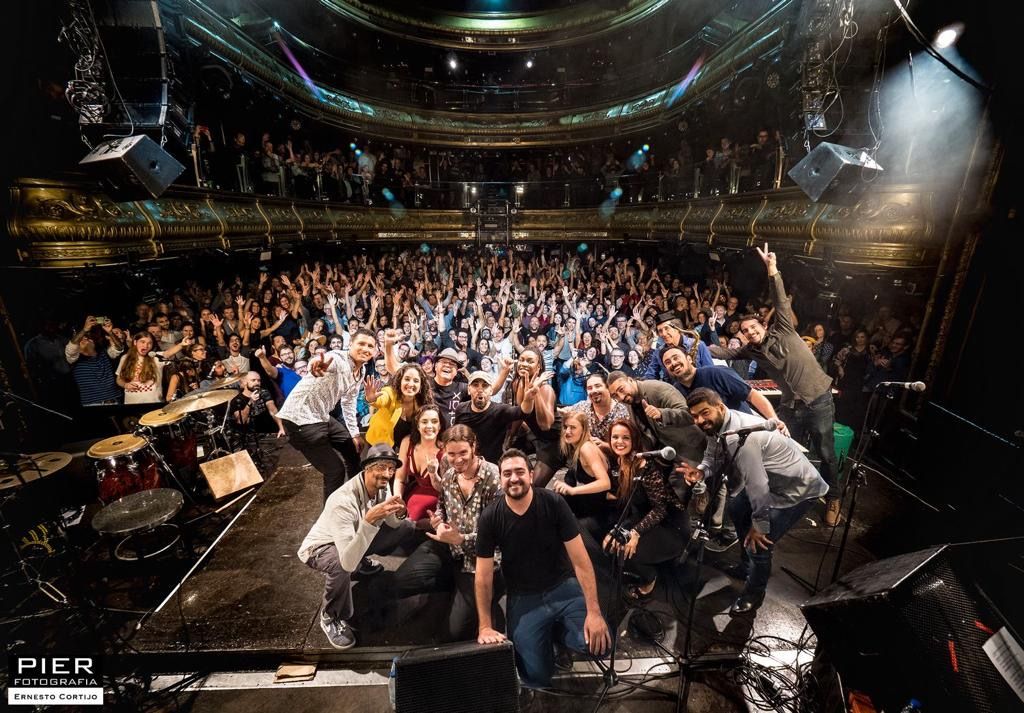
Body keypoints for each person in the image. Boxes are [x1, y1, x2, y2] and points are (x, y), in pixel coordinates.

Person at [708, 244, 840, 526]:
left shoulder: (783, 329)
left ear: (763, 326)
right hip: (791, 406)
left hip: (818, 400)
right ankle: (793, 493)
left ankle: (833, 497)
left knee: (826, 453)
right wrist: (696, 346)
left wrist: (772, 269)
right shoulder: (751, 350)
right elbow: (725, 352)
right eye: (745, 331)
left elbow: (780, 301)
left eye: (753, 328)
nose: (749, 332)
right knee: (787, 449)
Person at [476, 449, 611, 690]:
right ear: (501, 479)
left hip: (563, 588)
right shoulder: (490, 517)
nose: (514, 478)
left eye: (520, 472)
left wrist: (594, 612)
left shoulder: (553, 503)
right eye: (507, 474)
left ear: (531, 475)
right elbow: (483, 577)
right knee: (535, 677)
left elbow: (581, 561)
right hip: (524, 598)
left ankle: (557, 633)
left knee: (599, 646)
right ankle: (549, 634)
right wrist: (485, 626)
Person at [684, 388, 827, 616]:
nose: (700, 420)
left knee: (759, 542)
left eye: (704, 413)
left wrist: (759, 526)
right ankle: (746, 566)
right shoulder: (718, 426)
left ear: (720, 407)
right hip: (769, 482)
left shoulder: (741, 436)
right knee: (736, 509)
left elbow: (758, 486)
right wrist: (701, 471)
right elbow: (712, 455)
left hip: (796, 489)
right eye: (695, 416)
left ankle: (754, 593)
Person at [298, 444, 417, 649]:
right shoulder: (342, 501)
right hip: (321, 547)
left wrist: (400, 512)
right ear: (366, 468)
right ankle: (331, 616)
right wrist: (369, 521)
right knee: (341, 565)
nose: (387, 474)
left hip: (352, 539)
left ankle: (361, 560)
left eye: (390, 468)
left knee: (406, 527)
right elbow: (347, 562)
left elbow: (393, 524)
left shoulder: (382, 485)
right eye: (381, 467)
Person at [393, 425, 505, 642]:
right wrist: (438, 521)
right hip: (448, 546)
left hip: (479, 559)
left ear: (474, 447)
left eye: (463, 452)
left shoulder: (493, 476)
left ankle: (479, 596)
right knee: (401, 581)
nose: (457, 459)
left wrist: (462, 539)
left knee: (455, 632)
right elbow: (442, 506)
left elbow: (498, 532)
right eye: (451, 454)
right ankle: (452, 586)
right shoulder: (449, 474)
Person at [278, 329, 376, 503]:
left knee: (352, 450)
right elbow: (322, 362)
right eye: (361, 343)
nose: (365, 348)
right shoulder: (337, 359)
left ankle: (357, 496)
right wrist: (315, 365)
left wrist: (354, 433)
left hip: (321, 415)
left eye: (370, 346)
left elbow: (348, 402)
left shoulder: (361, 371)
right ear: (350, 344)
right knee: (335, 470)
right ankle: (331, 515)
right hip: (299, 418)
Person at [602, 420, 689, 601]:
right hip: (645, 517)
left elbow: (660, 510)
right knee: (612, 543)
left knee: (628, 550)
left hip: (671, 526)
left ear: (634, 440)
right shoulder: (620, 461)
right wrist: (618, 530)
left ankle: (650, 579)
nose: (619, 442)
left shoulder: (647, 467)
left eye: (626, 438)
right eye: (615, 437)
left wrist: (635, 533)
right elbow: (632, 505)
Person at [453, 367, 538, 465]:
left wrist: (529, 399)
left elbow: (523, 411)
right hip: (468, 463)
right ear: (469, 390)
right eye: (475, 385)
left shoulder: (500, 410)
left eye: (485, 385)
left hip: (494, 466)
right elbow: (456, 434)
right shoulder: (461, 409)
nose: (480, 389)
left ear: (491, 390)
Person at [551, 412, 612, 549]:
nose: (567, 431)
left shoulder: (586, 448)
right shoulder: (577, 447)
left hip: (599, 514)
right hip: (587, 507)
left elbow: (605, 483)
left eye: (573, 427)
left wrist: (573, 490)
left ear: (583, 430)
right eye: (565, 427)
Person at [508, 347, 561, 487]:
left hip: (554, 441)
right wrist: (510, 438)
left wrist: (534, 392)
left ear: (538, 367)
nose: (524, 364)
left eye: (530, 361)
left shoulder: (546, 389)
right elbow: (520, 414)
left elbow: (545, 425)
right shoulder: (516, 383)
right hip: (535, 436)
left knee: (532, 487)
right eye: (522, 360)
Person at [394, 405, 443, 526]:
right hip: (414, 495)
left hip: (440, 501)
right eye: (424, 422)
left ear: (440, 426)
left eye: (434, 421)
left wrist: (433, 474)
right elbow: (399, 479)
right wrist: (397, 499)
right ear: (417, 425)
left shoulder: (446, 449)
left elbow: (448, 489)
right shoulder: (407, 442)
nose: (429, 426)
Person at [363, 362, 432, 448]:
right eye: (407, 379)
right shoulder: (390, 392)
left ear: (421, 385)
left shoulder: (422, 402)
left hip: (404, 447)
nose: (411, 384)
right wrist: (372, 399)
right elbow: (382, 399)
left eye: (416, 381)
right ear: (400, 381)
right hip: (379, 444)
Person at [65, 316, 123, 406]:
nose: (84, 339)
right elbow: (72, 345)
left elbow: (119, 348)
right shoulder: (74, 359)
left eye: (87, 338)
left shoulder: (104, 353)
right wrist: (85, 329)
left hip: (114, 400)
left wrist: (110, 332)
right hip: (92, 403)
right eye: (81, 339)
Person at [565, 372, 631, 444]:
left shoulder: (621, 411)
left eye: (598, 386)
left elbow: (627, 443)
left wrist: (605, 445)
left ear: (608, 388)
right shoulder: (582, 407)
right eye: (589, 388)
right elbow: (564, 411)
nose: (594, 391)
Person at [232, 371, 285, 437]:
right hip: (249, 436)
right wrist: (250, 402)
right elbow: (241, 421)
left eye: (259, 380)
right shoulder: (237, 399)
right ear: (245, 382)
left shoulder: (263, 392)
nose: (257, 383)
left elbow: (273, 410)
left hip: (268, 432)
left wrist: (281, 427)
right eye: (253, 380)